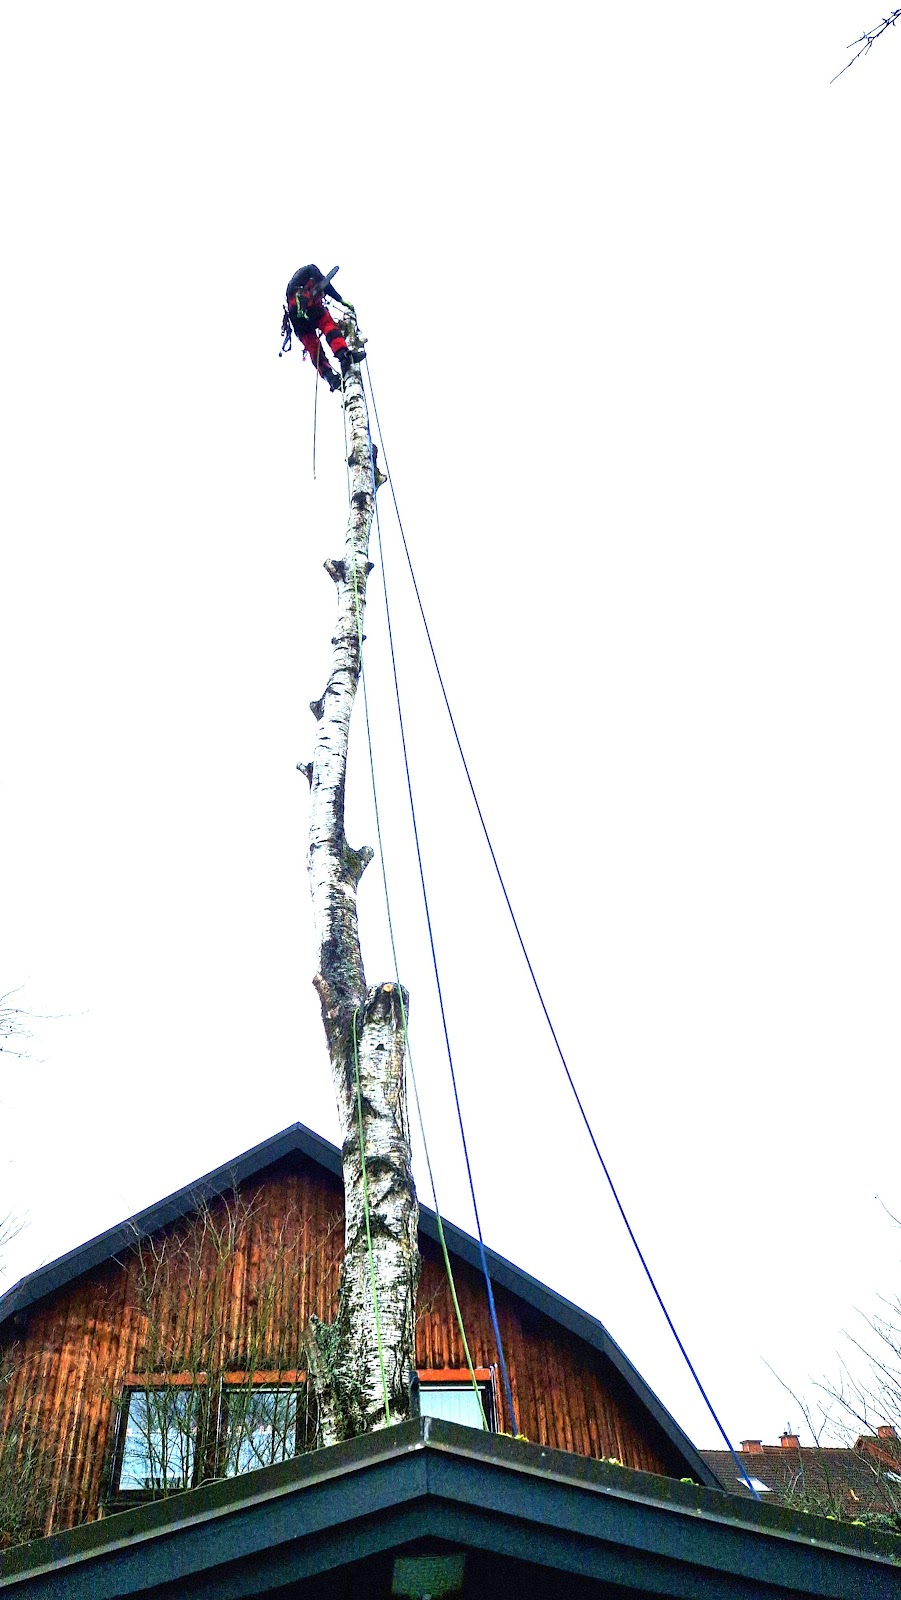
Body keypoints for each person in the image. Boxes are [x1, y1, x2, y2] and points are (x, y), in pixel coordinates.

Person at [282, 264, 357, 392]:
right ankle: (342, 356)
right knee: (328, 326)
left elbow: (325, 286)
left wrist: (340, 300)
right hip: (304, 314)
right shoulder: (310, 272)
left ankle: (330, 376)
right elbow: (325, 285)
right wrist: (340, 300)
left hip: (299, 320)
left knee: (314, 348)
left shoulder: (300, 284)